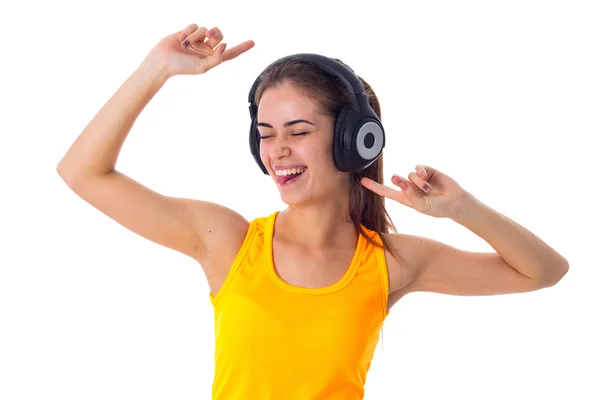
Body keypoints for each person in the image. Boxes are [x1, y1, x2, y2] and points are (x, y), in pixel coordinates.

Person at [56, 24, 570, 399]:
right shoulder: (225, 240)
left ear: (353, 141)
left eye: (299, 132)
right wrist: (157, 69)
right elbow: (82, 172)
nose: (278, 150)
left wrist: (462, 207)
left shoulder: (390, 262)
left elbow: (545, 271)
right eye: (265, 134)